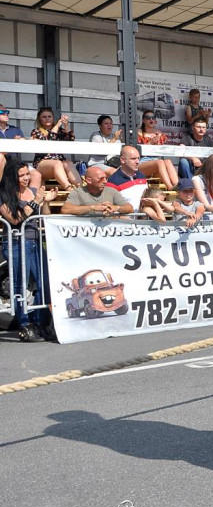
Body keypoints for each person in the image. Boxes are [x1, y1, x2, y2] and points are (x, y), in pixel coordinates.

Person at [0, 160, 57, 342]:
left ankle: (41, 322)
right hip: (16, 242)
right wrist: (35, 201)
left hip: (35, 241)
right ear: (12, 177)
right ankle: (25, 323)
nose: (26, 178)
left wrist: (46, 202)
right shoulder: (3, 194)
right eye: (22, 175)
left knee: (44, 283)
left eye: (27, 174)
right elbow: (15, 219)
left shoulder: (32, 192)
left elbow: (44, 216)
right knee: (19, 286)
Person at [30, 107, 81, 190]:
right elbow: (50, 140)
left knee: (68, 163)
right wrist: (57, 125)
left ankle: (80, 188)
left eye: (49, 116)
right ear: (40, 119)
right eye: (44, 117)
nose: (47, 119)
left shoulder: (60, 131)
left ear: (53, 118)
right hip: (42, 163)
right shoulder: (36, 132)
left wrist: (66, 125)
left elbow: (70, 139)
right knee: (57, 163)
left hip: (59, 162)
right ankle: (68, 187)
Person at [61, 166, 132, 216]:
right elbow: (65, 209)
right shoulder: (78, 193)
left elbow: (129, 208)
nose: (105, 181)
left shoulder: (111, 191)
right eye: (101, 179)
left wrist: (115, 208)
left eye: (106, 178)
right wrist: (92, 207)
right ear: (89, 180)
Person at [136, 111, 179, 189]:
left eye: (153, 118)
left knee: (168, 161)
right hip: (143, 162)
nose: (151, 119)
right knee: (160, 162)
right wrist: (151, 142)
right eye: (148, 118)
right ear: (143, 120)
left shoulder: (159, 133)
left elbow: (163, 150)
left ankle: (178, 185)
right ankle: (169, 187)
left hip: (157, 163)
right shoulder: (139, 133)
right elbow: (137, 152)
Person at [106, 145, 149, 212]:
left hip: (143, 220)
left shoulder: (142, 176)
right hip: (125, 221)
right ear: (122, 160)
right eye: (133, 159)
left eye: (138, 158)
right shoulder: (113, 181)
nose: (137, 161)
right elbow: (109, 207)